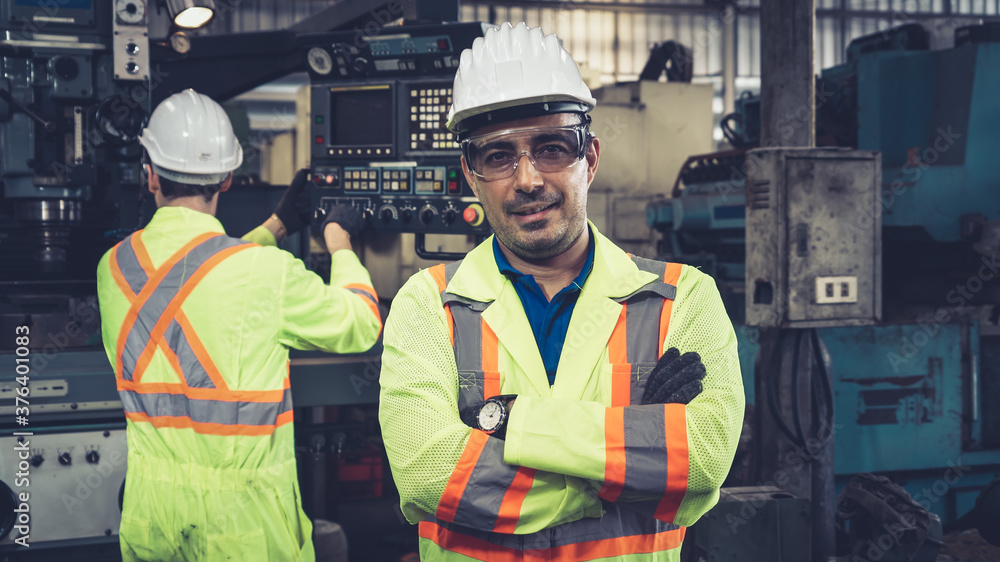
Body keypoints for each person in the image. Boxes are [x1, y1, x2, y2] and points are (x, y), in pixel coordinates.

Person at [378, 22, 744, 561]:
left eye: (551, 148)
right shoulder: (428, 303)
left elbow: (704, 458)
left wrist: (507, 420)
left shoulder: (682, 297)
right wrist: (635, 456)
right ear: (471, 174)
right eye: (498, 156)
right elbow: (428, 475)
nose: (527, 179)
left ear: (590, 159)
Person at [96, 89, 381, 561]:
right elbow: (361, 322)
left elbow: (189, 277)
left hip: (151, 513)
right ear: (227, 178)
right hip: (242, 525)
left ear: (149, 175)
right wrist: (340, 240)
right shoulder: (263, 274)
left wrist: (275, 226)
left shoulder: (113, 268)